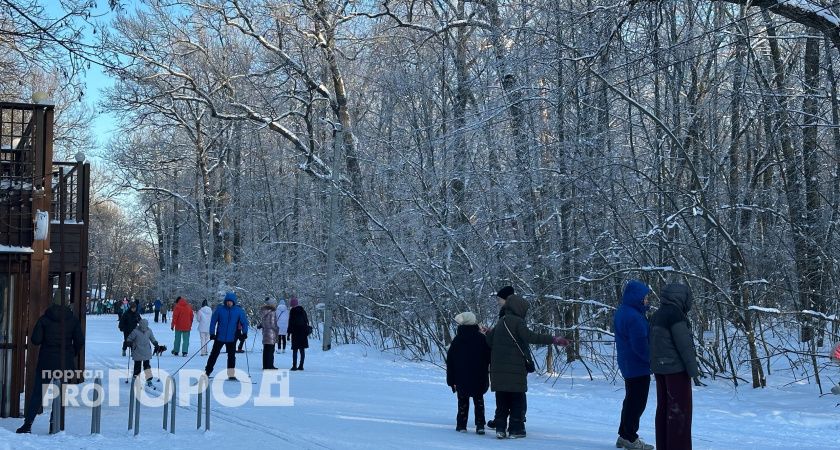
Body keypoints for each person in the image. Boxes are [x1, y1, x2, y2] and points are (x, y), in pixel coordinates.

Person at [485, 294, 568, 439]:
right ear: (519, 308)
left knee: (502, 401)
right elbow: (531, 337)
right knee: (517, 400)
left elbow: (490, 342)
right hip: (515, 371)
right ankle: (516, 430)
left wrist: (489, 334)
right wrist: (554, 339)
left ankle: (500, 428)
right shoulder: (517, 322)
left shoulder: (501, 322)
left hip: (498, 372)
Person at [16, 303, 84, 434]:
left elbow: (35, 340)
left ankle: (28, 424)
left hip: (46, 361)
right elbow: (80, 341)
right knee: (59, 394)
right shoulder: (73, 320)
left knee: (38, 393)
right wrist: (71, 353)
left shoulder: (45, 319)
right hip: (65, 363)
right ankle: (54, 424)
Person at [650, 283, 700, 450]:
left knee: (663, 410)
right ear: (682, 298)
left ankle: (663, 446)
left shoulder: (657, 315)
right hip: (676, 371)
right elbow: (684, 345)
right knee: (679, 413)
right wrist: (693, 371)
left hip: (660, 370)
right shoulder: (676, 315)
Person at [614, 280, 655, 450]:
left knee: (630, 400)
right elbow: (640, 345)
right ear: (637, 298)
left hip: (628, 363)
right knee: (637, 403)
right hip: (637, 365)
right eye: (645, 297)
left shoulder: (623, 311)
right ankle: (630, 437)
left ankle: (624, 435)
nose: (647, 300)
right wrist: (652, 360)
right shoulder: (634, 317)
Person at [446, 312, 491, 435]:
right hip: (479, 376)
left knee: (462, 401)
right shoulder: (482, 339)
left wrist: (451, 380)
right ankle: (480, 425)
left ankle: (461, 425)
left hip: (461, 377)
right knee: (479, 400)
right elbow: (489, 357)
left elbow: (450, 361)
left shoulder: (457, 340)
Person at [205, 292, 249, 380]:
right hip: (219, 337)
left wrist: (244, 333)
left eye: (231, 301)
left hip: (232, 338)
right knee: (214, 355)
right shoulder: (220, 309)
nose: (229, 303)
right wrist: (212, 333)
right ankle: (207, 372)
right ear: (225, 301)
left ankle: (231, 374)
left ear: (234, 302)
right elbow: (213, 321)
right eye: (228, 301)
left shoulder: (238, 311)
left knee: (231, 356)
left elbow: (244, 322)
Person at [124, 319, 159, 387]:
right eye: (142, 327)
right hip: (137, 351)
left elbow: (152, 338)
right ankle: (136, 379)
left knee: (147, 366)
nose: (143, 328)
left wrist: (155, 343)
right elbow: (129, 338)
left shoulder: (149, 331)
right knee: (137, 366)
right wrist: (129, 342)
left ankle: (149, 380)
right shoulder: (135, 331)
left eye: (145, 327)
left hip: (146, 351)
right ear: (140, 325)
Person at [288, 296, 309, 371]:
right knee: (302, 350)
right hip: (303, 332)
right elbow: (306, 321)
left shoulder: (292, 311)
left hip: (295, 333)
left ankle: (294, 366)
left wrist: (289, 333)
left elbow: (290, 323)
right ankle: (301, 366)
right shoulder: (303, 310)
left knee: (295, 350)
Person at [257, 297, 279, 370]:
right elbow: (273, 324)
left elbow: (263, 323)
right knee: (271, 350)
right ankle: (270, 365)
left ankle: (265, 365)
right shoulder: (272, 312)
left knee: (266, 350)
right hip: (271, 333)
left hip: (265, 333)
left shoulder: (264, 311)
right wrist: (277, 330)